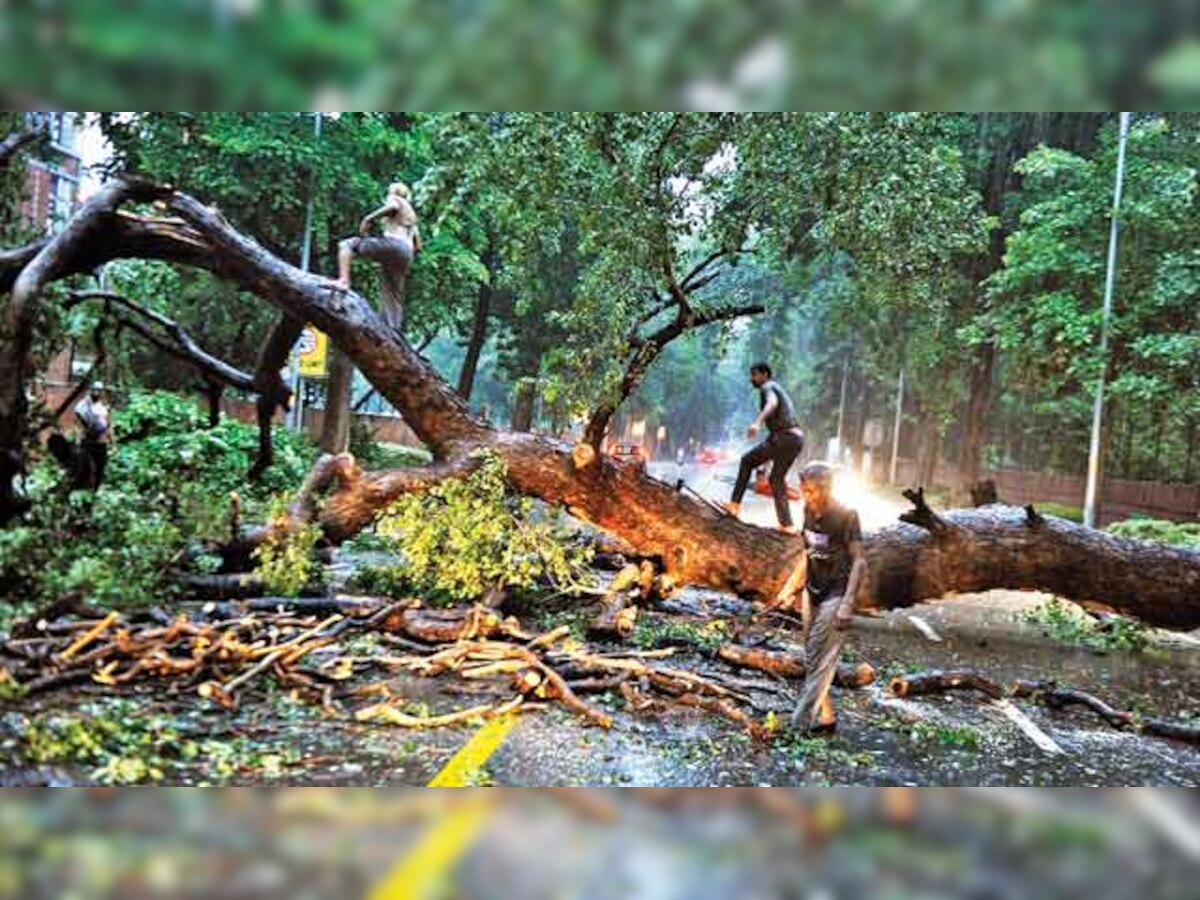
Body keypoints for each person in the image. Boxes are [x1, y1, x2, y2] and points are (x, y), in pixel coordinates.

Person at [782, 461, 867, 734]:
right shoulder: (808, 510)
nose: (807, 496)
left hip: (837, 593)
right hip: (813, 591)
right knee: (813, 657)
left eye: (811, 491)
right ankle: (827, 716)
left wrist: (848, 603)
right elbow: (807, 554)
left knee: (821, 660)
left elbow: (860, 563)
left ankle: (797, 726)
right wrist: (789, 588)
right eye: (804, 490)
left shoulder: (846, 516)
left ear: (826, 489)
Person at [722, 362, 805, 531]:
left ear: (765, 375)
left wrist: (757, 423)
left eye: (754, 375)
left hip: (783, 437)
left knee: (746, 461)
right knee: (776, 479)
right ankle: (787, 525)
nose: (751, 379)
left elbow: (772, 404)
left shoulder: (768, 386)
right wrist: (764, 466)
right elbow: (773, 443)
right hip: (795, 438)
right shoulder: (777, 388)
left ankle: (734, 505)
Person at [335, 182, 422, 333]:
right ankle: (393, 331)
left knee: (346, 245)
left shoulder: (395, 199)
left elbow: (392, 207)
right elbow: (418, 247)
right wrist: (389, 258)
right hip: (406, 253)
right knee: (393, 294)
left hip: (394, 244)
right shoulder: (412, 217)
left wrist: (368, 218)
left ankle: (343, 281)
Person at [73, 382, 111, 490]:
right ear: (90, 390)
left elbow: (109, 425)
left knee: (100, 469)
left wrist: (112, 443)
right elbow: (77, 424)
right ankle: (79, 489)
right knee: (83, 467)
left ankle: (95, 491)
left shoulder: (105, 405)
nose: (97, 392)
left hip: (101, 442)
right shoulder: (83, 406)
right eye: (94, 390)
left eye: (99, 390)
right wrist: (77, 440)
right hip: (88, 441)